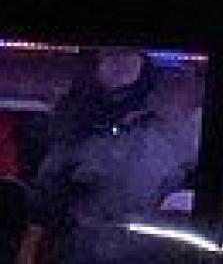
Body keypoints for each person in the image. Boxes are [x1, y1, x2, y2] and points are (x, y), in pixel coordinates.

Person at [29, 50, 198, 264]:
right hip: (82, 252)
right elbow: (44, 198)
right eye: (111, 56)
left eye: (125, 57)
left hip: (146, 252)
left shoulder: (169, 133)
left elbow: (186, 188)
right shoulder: (71, 128)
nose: (119, 67)